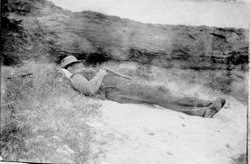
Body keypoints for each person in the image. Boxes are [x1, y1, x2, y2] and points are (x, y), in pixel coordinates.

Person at [59, 55, 226, 118]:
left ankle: (204, 110)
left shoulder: (82, 72)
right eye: (74, 64)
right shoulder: (76, 77)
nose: (78, 65)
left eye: (77, 62)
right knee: (159, 93)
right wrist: (101, 73)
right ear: (70, 68)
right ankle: (204, 104)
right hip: (118, 90)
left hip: (121, 86)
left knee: (159, 95)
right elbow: (89, 89)